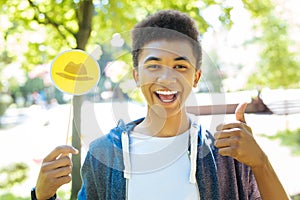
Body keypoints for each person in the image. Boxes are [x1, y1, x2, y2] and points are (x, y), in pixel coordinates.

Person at [32, 10, 290, 200]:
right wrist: (43, 196)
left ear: (196, 77)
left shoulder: (226, 154)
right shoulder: (104, 155)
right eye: (154, 65)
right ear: (136, 75)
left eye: (180, 66)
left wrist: (260, 163)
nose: (167, 78)